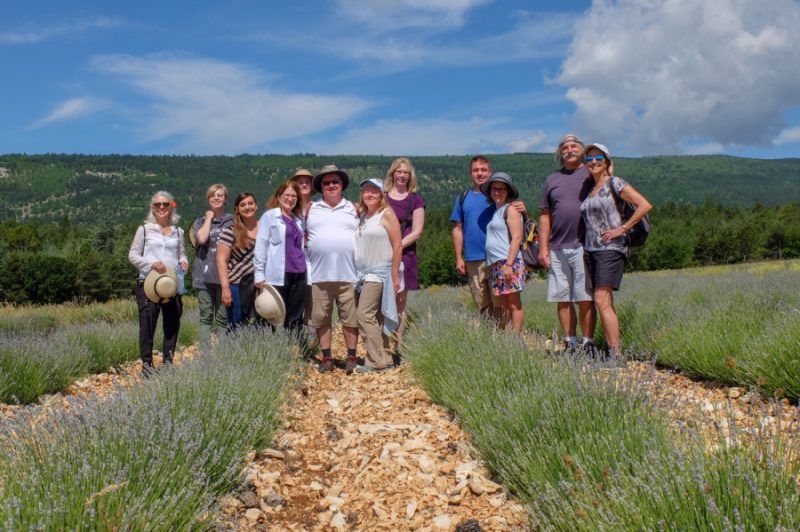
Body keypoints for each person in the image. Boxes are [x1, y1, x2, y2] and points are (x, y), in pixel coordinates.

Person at [580, 143, 652, 358]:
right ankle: (611, 349)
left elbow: (644, 205)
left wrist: (622, 229)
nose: (593, 161)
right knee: (602, 300)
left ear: (606, 161)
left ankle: (616, 353)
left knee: (602, 298)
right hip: (591, 250)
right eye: (589, 159)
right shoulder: (589, 190)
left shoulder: (615, 183)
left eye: (598, 157)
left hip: (610, 249)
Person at [538, 134, 596, 353]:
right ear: (559, 153)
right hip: (557, 246)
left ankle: (588, 343)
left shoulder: (592, 173)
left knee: (584, 297)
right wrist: (543, 248)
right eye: (564, 147)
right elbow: (545, 215)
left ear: (582, 150)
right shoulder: (552, 179)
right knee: (562, 298)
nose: (569, 149)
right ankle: (570, 342)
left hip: (584, 244)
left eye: (573, 146)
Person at [451, 156, 525, 318]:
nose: (480, 173)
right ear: (471, 173)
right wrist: (459, 257)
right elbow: (457, 228)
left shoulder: (499, 197)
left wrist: (524, 211)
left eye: (483, 170)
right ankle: (492, 337)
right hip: (473, 258)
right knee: (482, 304)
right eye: (476, 170)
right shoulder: (463, 198)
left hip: (499, 258)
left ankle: (506, 337)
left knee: (502, 302)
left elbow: (516, 226)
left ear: (489, 172)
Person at [306, 164, 360, 373]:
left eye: (334, 182)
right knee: (322, 319)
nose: (330, 185)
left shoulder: (353, 208)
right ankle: (327, 358)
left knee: (350, 318)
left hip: (349, 273)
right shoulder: (311, 209)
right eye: (326, 182)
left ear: (341, 184)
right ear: (320, 186)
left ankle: (352, 356)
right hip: (320, 275)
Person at [128, 191, 188, 372]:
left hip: (171, 284)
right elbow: (132, 255)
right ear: (152, 208)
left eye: (165, 204)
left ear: (171, 207)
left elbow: (182, 253)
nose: (161, 207)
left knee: (172, 324)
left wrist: (184, 261)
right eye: (157, 205)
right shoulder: (144, 230)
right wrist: (151, 263)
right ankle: (147, 366)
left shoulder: (178, 231)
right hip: (148, 283)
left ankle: (168, 364)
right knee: (147, 326)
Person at [354, 178, 403, 373]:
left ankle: (377, 360)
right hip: (365, 274)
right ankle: (385, 357)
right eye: (366, 191)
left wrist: (394, 274)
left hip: (379, 273)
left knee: (364, 315)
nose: (370, 194)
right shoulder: (364, 216)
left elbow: (398, 244)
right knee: (377, 316)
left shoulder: (387, 213)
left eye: (374, 191)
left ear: (382, 194)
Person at [253, 181, 308, 334]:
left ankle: (293, 349)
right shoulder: (269, 217)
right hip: (278, 274)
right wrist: (259, 274)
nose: (290, 199)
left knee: (295, 315)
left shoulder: (297, 220)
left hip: (299, 272)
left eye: (294, 196)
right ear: (278, 196)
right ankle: (269, 350)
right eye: (287, 195)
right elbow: (260, 246)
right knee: (272, 314)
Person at [384, 157, 425, 360]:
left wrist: (397, 247)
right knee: (381, 299)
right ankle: (382, 346)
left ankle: (398, 345)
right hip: (382, 256)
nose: (402, 175)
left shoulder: (415, 200)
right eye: (398, 172)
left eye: (406, 172)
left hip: (405, 255)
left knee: (401, 301)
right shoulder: (383, 197)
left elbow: (417, 231)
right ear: (392, 174)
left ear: (410, 176)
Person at [191, 184, 233, 354]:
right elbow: (201, 239)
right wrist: (209, 218)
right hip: (203, 276)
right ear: (208, 199)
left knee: (223, 319)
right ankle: (206, 356)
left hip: (225, 276)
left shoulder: (233, 220)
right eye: (212, 196)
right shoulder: (200, 222)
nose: (216, 198)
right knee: (206, 318)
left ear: (226, 199)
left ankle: (223, 355)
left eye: (220, 195)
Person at [482, 172, 525, 332]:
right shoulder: (497, 211)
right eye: (494, 189)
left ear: (508, 191)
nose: (497, 192)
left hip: (508, 262)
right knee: (505, 303)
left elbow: (517, 238)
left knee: (513, 302)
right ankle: (509, 335)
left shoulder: (510, 209)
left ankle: (516, 336)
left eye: (501, 189)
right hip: (499, 263)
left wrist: (509, 264)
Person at [217, 192, 258, 329]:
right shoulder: (231, 232)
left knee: (261, 323)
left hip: (260, 283)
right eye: (243, 205)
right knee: (237, 324)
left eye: (250, 203)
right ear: (237, 209)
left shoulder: (265, 228)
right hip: (237, 284)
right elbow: (221, 260)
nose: (247, 207)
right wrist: (225, 288)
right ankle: (232, 350)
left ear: (256, 206)